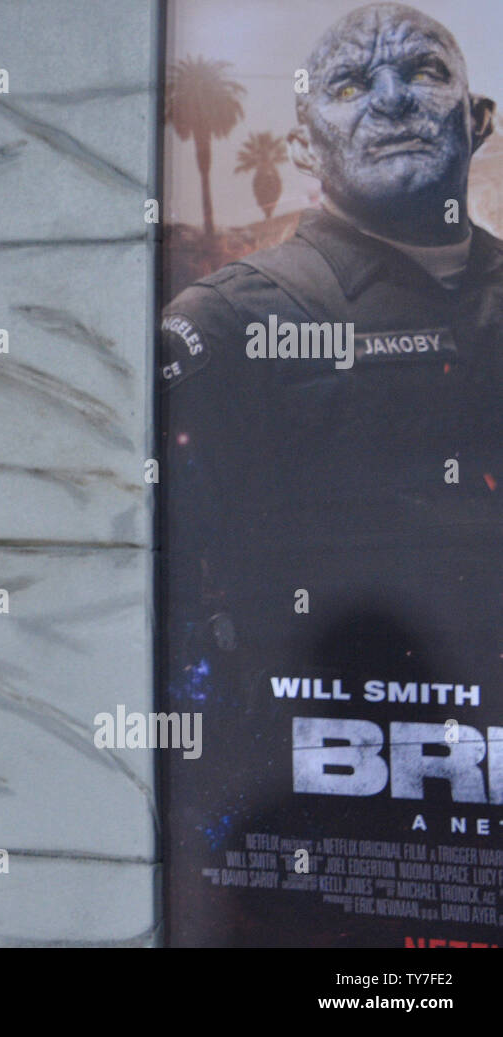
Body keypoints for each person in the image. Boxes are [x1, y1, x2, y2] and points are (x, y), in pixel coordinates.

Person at [157, 3, 503, 943]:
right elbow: (164, 593)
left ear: (479, 119)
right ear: (306, 149)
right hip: (308, 826)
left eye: (424, 72)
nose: (392, 101)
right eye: (351, 88)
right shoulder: (227, 324)